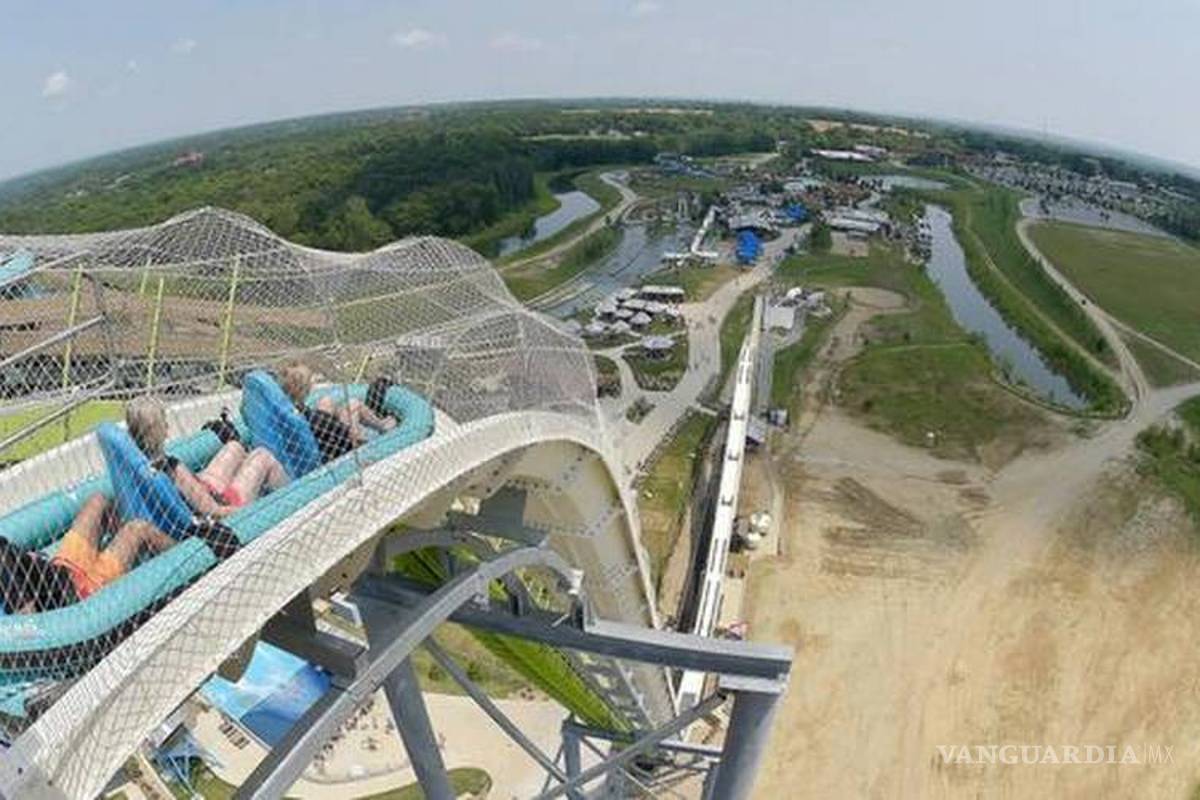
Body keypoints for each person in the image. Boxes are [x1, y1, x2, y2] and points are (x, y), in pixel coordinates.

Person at [0, 494, 174, 614]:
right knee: (138, 529)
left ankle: (122, 553)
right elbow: (29, 618)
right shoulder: (3, 563)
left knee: (97, 501)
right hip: (78, 593)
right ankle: (185, 557)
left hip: (63, 567)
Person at [126, 396, 288, 517]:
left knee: (234, 447)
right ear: (158, 429)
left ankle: (261, 481)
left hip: (203, 488)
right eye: (164, 421)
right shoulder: (172, 468)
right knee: (262, 456)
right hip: (222, 503)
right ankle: (291, 495)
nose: (167, 425)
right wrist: (255, 511)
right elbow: (214, 511)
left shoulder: (135, 461)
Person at [278, 362, 395, 463]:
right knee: (353, 404)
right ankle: (382, 426)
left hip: (321, 437)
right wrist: (355, 432)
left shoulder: (292, 408)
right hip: (340, 447)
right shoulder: (314, 418)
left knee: (326, 401)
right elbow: (341, 433)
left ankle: (375, 421)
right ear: (304, 388)